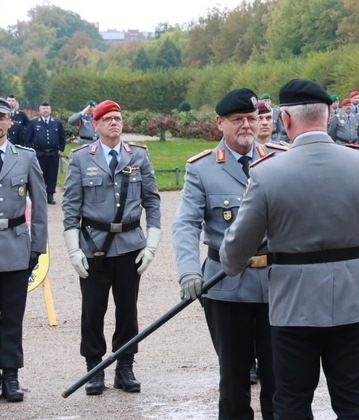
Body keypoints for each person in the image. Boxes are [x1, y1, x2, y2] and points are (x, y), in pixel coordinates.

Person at [219, 79, 359, 419]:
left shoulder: (267, 174)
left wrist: (231, 263)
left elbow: (236, 250)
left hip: (295, 305)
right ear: (328, 115)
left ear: (285, 120)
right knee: (354, 404)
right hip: (354, 300)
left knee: (292, 403)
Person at [172, 88, 278, 420]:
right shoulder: (202, 169)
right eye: (238, 120)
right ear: (220, 123)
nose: (247, 125)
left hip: (278, 285)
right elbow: (186, 223)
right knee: (233, 380)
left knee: (280, 379)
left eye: (252, 118)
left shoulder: (279, 159)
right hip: (226, 286)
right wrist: (189, 270)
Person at [61, 99, 162, 396]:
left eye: (117, 118)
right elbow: (70, 208)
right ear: (95, 125)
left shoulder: (139, 155)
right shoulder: (81, 158)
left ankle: (124, 365)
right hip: (93, 245)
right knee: (92, 310)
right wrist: (72, 249)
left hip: (131, 244)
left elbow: (152, 201)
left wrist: (152, 244)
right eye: (107, 119)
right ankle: (94, 368)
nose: (114, 123)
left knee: (127, 309)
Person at [0, 97, 47, 403]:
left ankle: (11, 376)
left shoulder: (26, 157)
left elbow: (40, 206)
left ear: (9, 122)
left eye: (2, 118)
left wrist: (37, 247)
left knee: (12, 317)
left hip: (15, 245)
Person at [25, 101, 66, 205]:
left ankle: (50, 194)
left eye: (47, 108)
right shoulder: (33, 123)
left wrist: (61, 148)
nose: (46, 110)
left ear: (50, 110)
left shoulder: (57, 123)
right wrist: (30, 151)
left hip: (53, 152)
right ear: (40, 110)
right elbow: (28, 139)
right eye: (43, 108)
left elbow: (62, 137)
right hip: (38, 152)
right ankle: (40, 195)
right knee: (40, 174)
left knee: (52, 174)